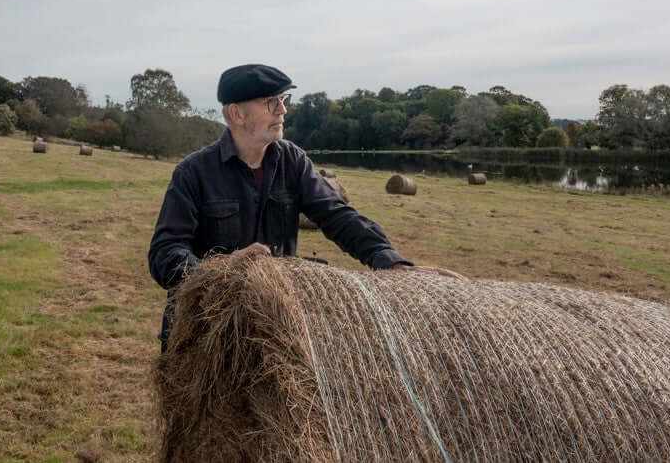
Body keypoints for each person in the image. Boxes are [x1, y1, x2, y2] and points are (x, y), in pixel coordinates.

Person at [148, 64, 465, 351]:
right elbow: (164, 254)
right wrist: (219, 269)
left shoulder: (293, 161)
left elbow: (337, 215)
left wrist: (393, 264)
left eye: (284, 100)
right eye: (271, 102)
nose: (283, 110)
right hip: (205, 331)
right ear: (237, 114)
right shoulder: (194, 172)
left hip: (271, 325)